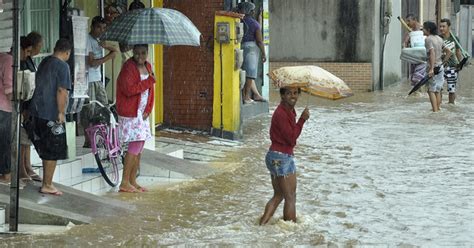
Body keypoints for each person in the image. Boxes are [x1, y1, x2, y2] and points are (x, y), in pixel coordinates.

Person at [26, 38, 72, 195]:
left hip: (36, 111)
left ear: (55, 48)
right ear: (67, 53)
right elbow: (62, 91)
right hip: (50, 113)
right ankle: (47, 184)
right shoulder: (63, 66)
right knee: (53, 149)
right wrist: (61, 112)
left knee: (45, 148)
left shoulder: (45, 61)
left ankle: (44, 181)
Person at [259, 86, 310, 225]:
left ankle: (261, 226)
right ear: (282, 96)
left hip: (278, 156)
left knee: (279, 195)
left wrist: (298, 119)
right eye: (288, 93)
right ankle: (290, 232)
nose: (292, 96)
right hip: (281, 157)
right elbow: (291, 138)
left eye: (295, 93)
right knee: (290, 197)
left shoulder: (289, 111)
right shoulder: (281, 113)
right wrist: (302, 120)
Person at [116, 44, 155, 193]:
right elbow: (128, 90)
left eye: (143, 53)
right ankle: (124, 182)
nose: (140, 56)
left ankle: (133, 180)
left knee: (139, 146)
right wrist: (148, 81)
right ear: (133, 53)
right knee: (135, 145)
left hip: (141, 113)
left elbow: (151, 92)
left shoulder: (148, 66)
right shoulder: (128, 68)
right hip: (131, 112)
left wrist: (149, 109)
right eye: (137, 53)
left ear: (147, 53)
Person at [81, 16, 118, 148]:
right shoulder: (88, 40)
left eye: (103, 28)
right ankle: (88, 139)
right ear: (92, 27)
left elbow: (115, 50)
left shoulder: (99, 40)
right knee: (89, 109)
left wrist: (108, 46)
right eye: (98, 27)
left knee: (104, 107)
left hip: (97, 78)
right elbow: (91, 63)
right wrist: (108, 57)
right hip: (88, 79)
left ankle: (103, 136)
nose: (101, 30)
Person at [19, 32, 44, 182]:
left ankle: (27, 166)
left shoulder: (29, 60)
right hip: (23, 104)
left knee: (27, 137)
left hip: (30, 104)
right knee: (23, 138)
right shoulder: (22, 61)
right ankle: (22, 168)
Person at [238, 2, 267, 104]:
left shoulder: (239, 21)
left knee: (242, 72)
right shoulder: (255, 24)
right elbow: (259, 41)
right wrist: (264, 53)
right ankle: (246, 97)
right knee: (250, 73)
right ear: (251, 11)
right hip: (251, 49)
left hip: (240, 47)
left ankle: (248, 95)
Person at [422, 21, 451, 112]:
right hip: (440, 67)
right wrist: (444, 62)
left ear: (428, 30)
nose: (422, 30)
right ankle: (437, 109)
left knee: (431, 90)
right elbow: (449, 52)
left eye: (424, 28)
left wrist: (431, 68)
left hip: (433, 67)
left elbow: (432, 53)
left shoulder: (428, 39)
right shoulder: (439, 38)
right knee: (437, 90)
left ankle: (435, 111)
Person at [439, 18, 463, 104]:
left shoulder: (455, 39)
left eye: (443, 26)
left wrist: (460, 64)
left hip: (452, 67)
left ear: (448, 27)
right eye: (440, 26)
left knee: (451, 89)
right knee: (438, 88)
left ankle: (451, 106)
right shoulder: (438, 38)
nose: (441, 28)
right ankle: (439, 106)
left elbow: (458, 52)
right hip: (440, 67)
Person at [403, 14, 426, 87]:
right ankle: (417, 95)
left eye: (409, 21)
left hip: (423, 58)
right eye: (406, 21)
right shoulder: (410, 32)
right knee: (414, 79)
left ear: (415, 20)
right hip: (414, 58)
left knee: (418, 78)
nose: (407, 23)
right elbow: (405, 43)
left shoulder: (423, 30)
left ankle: (421, 94)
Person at [0, 51, 13, 184]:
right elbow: (9, 89)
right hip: (4, 107)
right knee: (4, 142)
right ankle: (6, 175)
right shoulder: (8, 60)